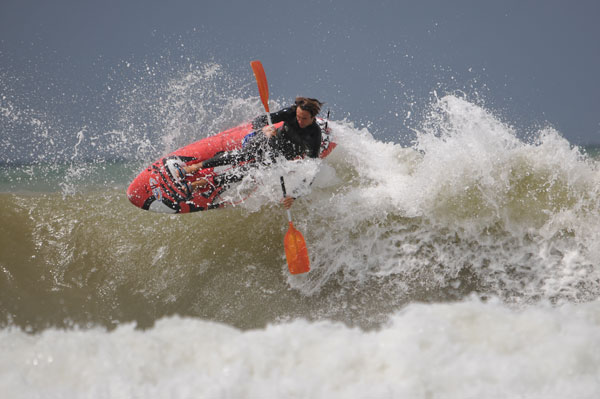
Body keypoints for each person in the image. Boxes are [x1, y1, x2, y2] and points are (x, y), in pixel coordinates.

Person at [167, 97, 324, 209]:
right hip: (269, 141)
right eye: (298, 117)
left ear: (312, 118)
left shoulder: (314, 136)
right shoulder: (290, 113)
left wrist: (294, 196)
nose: (299, 121)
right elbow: (259, 120)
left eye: (304, 119)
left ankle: (196, 185)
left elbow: (311, 170)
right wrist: (265, 128)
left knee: (245, 172)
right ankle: (194, 167)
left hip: (279, 157)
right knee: (243, 155)